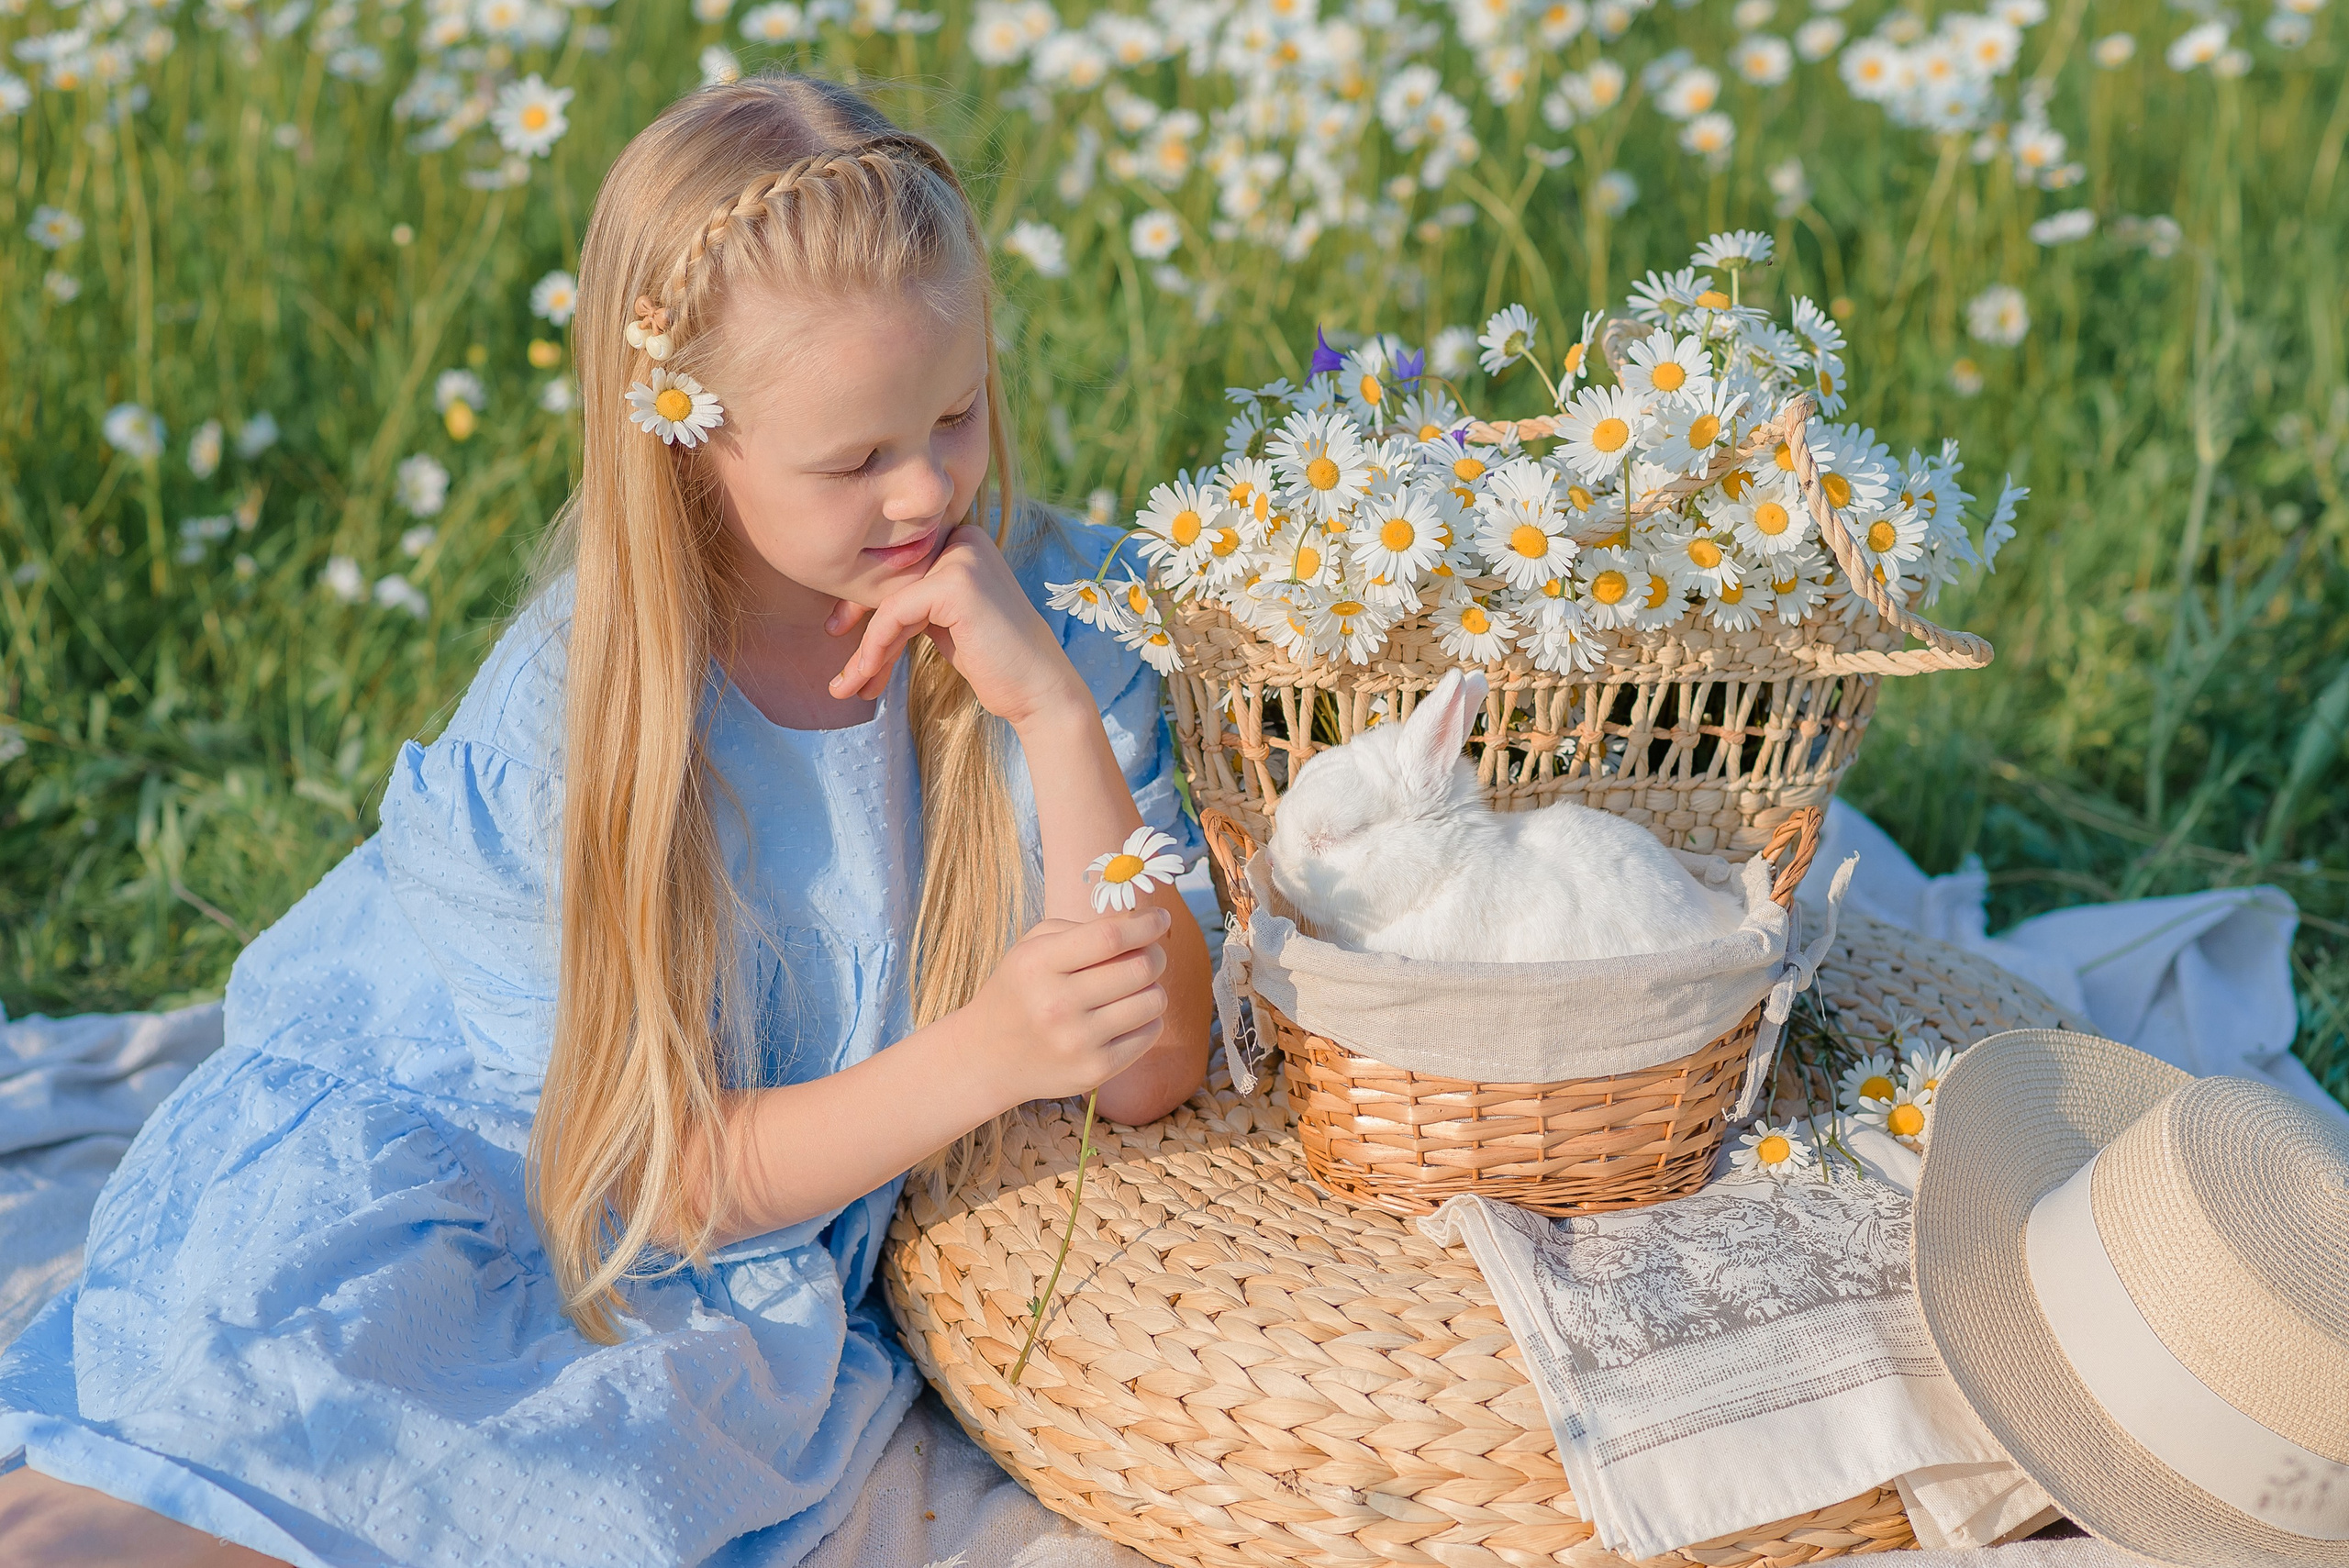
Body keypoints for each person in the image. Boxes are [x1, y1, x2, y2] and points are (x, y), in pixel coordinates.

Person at [0, 72, 1211, 1567]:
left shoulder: (1056, 617)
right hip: (495, 1139)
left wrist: (1053, 717)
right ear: (691, 444)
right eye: (852, 460)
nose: (928, 487)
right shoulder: (591, 711)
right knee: (269, 1432)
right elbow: (649, 1174)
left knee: (606, 1434)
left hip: (734, 1210)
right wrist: (980, 1057)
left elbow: (1153, 1066)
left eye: (956, 412)